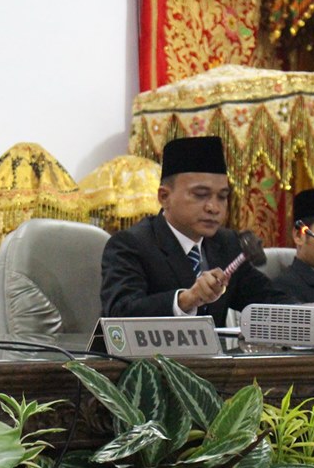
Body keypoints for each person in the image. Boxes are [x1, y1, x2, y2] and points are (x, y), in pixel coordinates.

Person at [99, 136, 291, 326]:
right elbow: (119, 313)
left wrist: (309, 312)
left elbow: (267, 298)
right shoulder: (131, 244)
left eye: (222, 197)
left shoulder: (226, 243)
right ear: (164, 197)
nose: (214, 207)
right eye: (200, 195)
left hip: (213, 356)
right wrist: (186, 300)